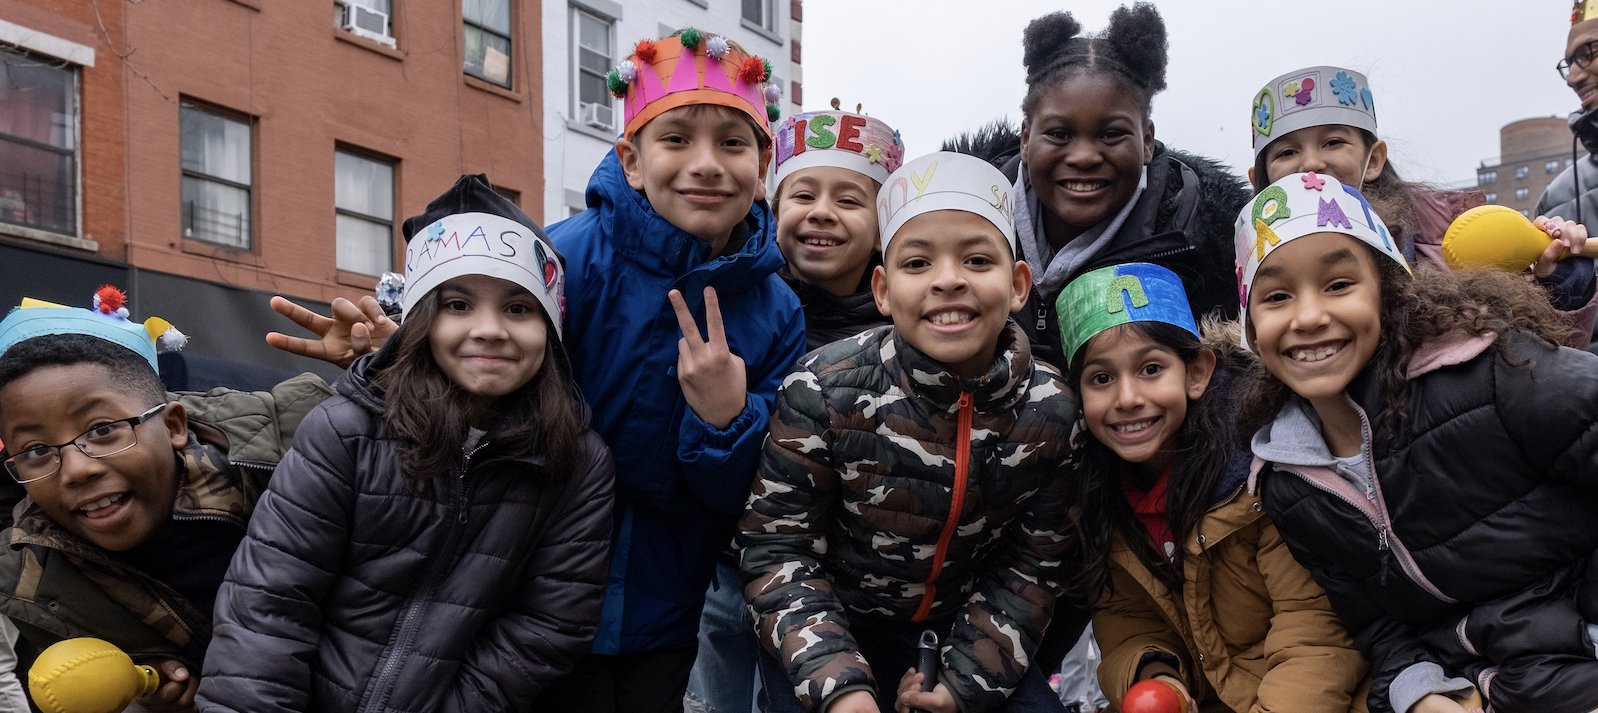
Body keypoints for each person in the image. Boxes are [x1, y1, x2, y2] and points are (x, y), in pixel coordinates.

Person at [196, 175, 616, 712]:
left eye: (518, 308)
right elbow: (269, 605)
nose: (489, 329)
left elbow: (548, 628)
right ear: (420, 323)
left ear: (551, 328)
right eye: (458, 305)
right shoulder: (344, 431)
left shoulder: (578, 462)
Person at [1235, 171, 1598, 713]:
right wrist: (1419, 691)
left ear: (1387, 289)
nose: (1309, 317)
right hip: (1504, 685)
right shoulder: (1287, 481)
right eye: (1277, 296)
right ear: (1250, 324)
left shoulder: (1495, 372)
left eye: (1339, 285)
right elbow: (1374, 623)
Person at [740, 151, 1074, 713]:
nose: (948, 281)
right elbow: (777, 548)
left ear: (1018, 284)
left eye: (977, 260)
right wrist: (840, 686)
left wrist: (962, 685)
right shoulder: (822, 389)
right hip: (827, 627)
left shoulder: (1052, 410)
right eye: (917, 264)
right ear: (883, 290)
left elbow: (1032, 565)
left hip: (966, 633)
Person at [535, 29, 807, 713]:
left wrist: (725, 419)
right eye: (677, 139)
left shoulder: (777, 310)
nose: (707, 164)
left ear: (765, 161)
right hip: (537, 587)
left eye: (734, 143)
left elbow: (744, 494)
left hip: (670, 605)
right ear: (631, 159)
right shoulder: (563, 261)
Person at [1055, 263, 1368, 712]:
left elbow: (1315, 634)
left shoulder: (1263, 473)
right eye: (1101, 379)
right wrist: (1156, 674)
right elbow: (1125, 619)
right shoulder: (1099, 496)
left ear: (1197, 373)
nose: (1127, 398)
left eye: (1150, 369)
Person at [0, 291, 333, 713]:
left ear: (174, 425)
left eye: (102, 429)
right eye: (35, 451)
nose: (76, 470)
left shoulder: (302, 449)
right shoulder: (32, 578)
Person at [687, 108, 902, 713]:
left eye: (851, 200)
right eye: (802, 193)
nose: (821, 212)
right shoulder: (738, 304)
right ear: (773, 206)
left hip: (834, 591)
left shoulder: (903, 333)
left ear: (885, 227)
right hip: (725, 564)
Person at [944, 3, 1250, 370]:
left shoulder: (1210, 246)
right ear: (1026, 139)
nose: (1085, 156)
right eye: (1059, 134)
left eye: (1111, 134)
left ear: (1147, 142)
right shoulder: (955, 218)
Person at [1247, 65, 1598, 348]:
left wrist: (1560, 279)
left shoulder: (1453, 251)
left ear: (1374, 160)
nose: (1311, 163)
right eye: (1287, 152)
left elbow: (1550, 349)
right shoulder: (1253, 272)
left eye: (1333, 141)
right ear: (1260, 181)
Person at [1536, 4, 1598, 235]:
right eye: (1570, 62)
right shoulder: (1555, 200)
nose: (1572, 79)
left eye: (1588, 53)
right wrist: (1550, 271)